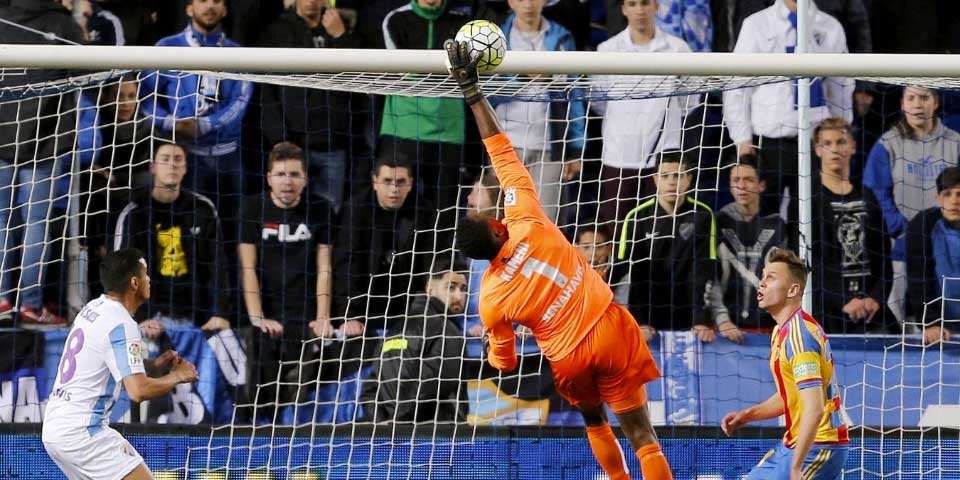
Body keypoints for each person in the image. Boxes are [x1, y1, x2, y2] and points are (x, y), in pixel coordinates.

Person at [446, 38, 674, 480]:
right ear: (496, 227)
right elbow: (500, 148)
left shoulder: (490, 296)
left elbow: (505, 364)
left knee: (595, 420)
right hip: (606, 326)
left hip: (567, 356)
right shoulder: (526, 217)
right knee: (643, 435)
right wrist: (472, 93)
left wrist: (498, 345)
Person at [42, 248, 199, 480]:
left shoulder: (92, 308)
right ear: (134, 283)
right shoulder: (122, 323)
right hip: (83, 433)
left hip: (55, 428)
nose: (149, 280)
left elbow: (108, 358)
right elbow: (137, 391)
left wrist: (153, 364)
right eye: (145, 274)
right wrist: (178, 376)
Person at [721, 247, 849, 480]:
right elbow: (792, 395)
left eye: (771, 278)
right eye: (762, 277)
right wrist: (747, 415)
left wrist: (796, 467)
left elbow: (814, 408)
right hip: (794, 443)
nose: (761, 283)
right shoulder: (782, 330)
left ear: (793, 290)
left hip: (819, 446)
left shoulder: (800, 337)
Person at [723, 0, 853, 219]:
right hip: (768, 143)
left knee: (812, 215)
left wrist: (842, 133)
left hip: (815, 143)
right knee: (764, 215)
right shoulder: (756, 25)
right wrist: (742, 140)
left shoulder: (830, 27)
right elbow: (737, 87)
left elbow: (841, 86)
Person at [0, 0, 85, 327]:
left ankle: (3, 299)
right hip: (45, 141)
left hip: (3, 139)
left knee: (3, 223)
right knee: (35, 224)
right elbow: (91, 72)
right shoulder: (61, 23)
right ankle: (30, 306)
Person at [238, 142, 336, 418]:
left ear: (305, 178)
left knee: (303, 393)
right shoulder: (252, 208)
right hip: (267, 315)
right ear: (269, 178)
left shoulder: (321, 209)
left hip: (305, 316)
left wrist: (323, 317)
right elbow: (248, 268)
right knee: (262, 381)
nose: (287, 182)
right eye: (280, 175)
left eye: (294, 174)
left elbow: (325, 267)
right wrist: (258, 318)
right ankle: (257, 427)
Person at [140, 0, 253, 213]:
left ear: (225, 10)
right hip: (186, 156)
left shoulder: (238, 53)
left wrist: (205, 124)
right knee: (190, 227)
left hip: (228, 157)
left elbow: (241, 101)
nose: (209, 6)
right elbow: (144, 96)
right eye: (202, 0)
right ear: (189, 8)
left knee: (234, 229)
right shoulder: (167, 47)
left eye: (216, 1)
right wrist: (168, 122)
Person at [592, 0, 698, 223]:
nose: (639, 10)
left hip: (664, 162)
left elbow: (691, 100)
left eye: (645, 3)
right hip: (618, 158)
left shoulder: (678, 49)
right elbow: (599, 102)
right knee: (619, 236)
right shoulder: (607, 50)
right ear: (623, 9)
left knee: (662, 238)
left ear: (656, 6)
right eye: (632, 3)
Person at [113, 141, 231, 336]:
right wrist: (139, 319)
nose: (172, 165)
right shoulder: (134, 213)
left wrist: (219, 313)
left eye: (178, 159)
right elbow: (121, 273)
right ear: (153, 167)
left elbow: (217, 266)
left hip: (198, 320)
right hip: (148, 318)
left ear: (185, 168)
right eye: (165, 159)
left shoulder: (203, 209)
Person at [256, 0, 365, 211]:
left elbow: (361, 76)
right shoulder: (276, 30)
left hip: (332, 144)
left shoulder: (342, 25)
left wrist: (342, 36)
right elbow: (266, 91)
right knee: (287, 211)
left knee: (329, 212)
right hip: (290, 146)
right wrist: (279, 139)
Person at [864, 86, 960, 323]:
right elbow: (876, 191)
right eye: (912, 98)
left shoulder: (955, 142)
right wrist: (898, 227)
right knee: (898, 315)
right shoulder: (887, 144)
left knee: (942, 314)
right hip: (901, 242)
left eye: (924, 98)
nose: (918, 104)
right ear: (902, 104)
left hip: (947, 243)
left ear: (935, 102)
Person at [332, 152, 454, 334]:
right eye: (387, 181)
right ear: (375, 182)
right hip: (364, 307)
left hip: (408, 307)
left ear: (411, 183)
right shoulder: (355, 210)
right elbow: (347, 266)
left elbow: (433, 262)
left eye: (400, 182)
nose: (394, 189)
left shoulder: (425, 212)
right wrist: (349, 315)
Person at [492, 0, 586, 222]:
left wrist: (574, 149)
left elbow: (574, 95)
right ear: (510, 2)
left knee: (544, 224)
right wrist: (522, 76)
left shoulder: (562, 38)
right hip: (505, 147)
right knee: (501, 224)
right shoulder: (495, 38)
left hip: (548, 147)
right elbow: (486, 93)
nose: (528, 4)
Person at [380, 0, 475, 209]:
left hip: (449, 131)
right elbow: (399, 72)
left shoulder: (462, 23)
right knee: (400, 206)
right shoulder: (395, 20)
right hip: (404, 128)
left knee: (445, 208)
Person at [615, 151, 718, 342]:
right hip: (647, 320)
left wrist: (700, 319)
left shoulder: (703, 215)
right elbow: (628, 274)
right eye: (665, 176)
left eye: (678, 175)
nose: (672, 182)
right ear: (655, 179)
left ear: (689, 179)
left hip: (688, 319)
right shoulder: (637, 217)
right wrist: (638, 320)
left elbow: (703, 271)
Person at [811, 118, 897, 334]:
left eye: (841, 142)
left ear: (852, 146)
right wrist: (844, 299)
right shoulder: (806, 197)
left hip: (871, 310)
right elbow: (808, 262)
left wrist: (875, 298)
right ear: (817, 150)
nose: (835, 149)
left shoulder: (867, 195)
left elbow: (884, 254)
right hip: (827, 311)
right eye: (827, 143)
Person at [362, 258, 469, 423]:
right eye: (451, 287)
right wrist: (400, 424)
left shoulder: (394, 330)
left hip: (389, 438)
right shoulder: (448, 331)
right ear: (430, 289)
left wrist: (382, 424)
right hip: (436, 439)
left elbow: (370, 388)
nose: (459, 296)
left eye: (463, 289)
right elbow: (429, 386)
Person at [708, 155, 786, 341]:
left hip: (768, 329)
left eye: (749, 180)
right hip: (725, 330)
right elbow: (709, 276)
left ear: (762, 185)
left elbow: (785, 280)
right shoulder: (716, 222)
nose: (741, 186)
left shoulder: (777, 225)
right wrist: (723, 320)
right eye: (736, 180)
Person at [907, 167, 960, 345]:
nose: (954, 201)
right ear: (938, 198)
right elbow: (918, 278)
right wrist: (930, 322)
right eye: (947, 194)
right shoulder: (922, 225)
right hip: (939, 326)